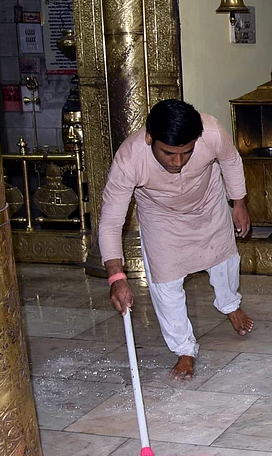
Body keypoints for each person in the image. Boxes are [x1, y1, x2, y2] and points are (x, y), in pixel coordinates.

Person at [99, 99, 254, 380]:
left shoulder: (211, 132)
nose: (178, 162)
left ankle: (230, 304)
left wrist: (239, 203)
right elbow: (110, 221)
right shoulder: (129, 159)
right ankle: (184, 349)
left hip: (208, 203)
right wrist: (116, 278)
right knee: (166, 283)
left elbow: (231, 160)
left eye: (186, 152)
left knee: (225, 260)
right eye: (169, 153)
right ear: (149, 138)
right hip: (161, 217)